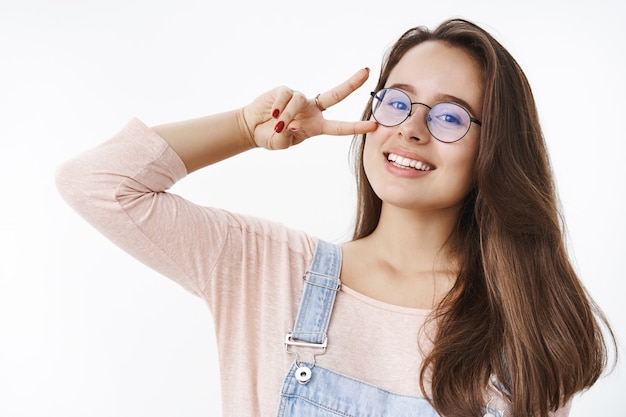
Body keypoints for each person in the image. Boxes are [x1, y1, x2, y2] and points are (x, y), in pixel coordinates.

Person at [56, 18, 615, 417]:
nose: (410, 129)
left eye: (450, 116)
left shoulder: (522, 326)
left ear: (496, 150)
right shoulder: (265, 268)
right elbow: (99, 184)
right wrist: (245, 128)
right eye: (396, 101)